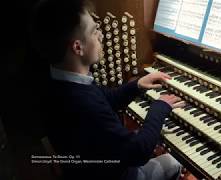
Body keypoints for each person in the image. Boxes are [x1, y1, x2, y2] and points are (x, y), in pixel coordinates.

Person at [30, 0, 185, 179]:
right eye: (95, 30)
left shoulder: (58, 81)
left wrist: (137, 85)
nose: (101, 35)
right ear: (78, 47)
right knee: (173, 162)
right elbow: (139, 152)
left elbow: (104, 98)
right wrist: (159, 107)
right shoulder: (82, 102)